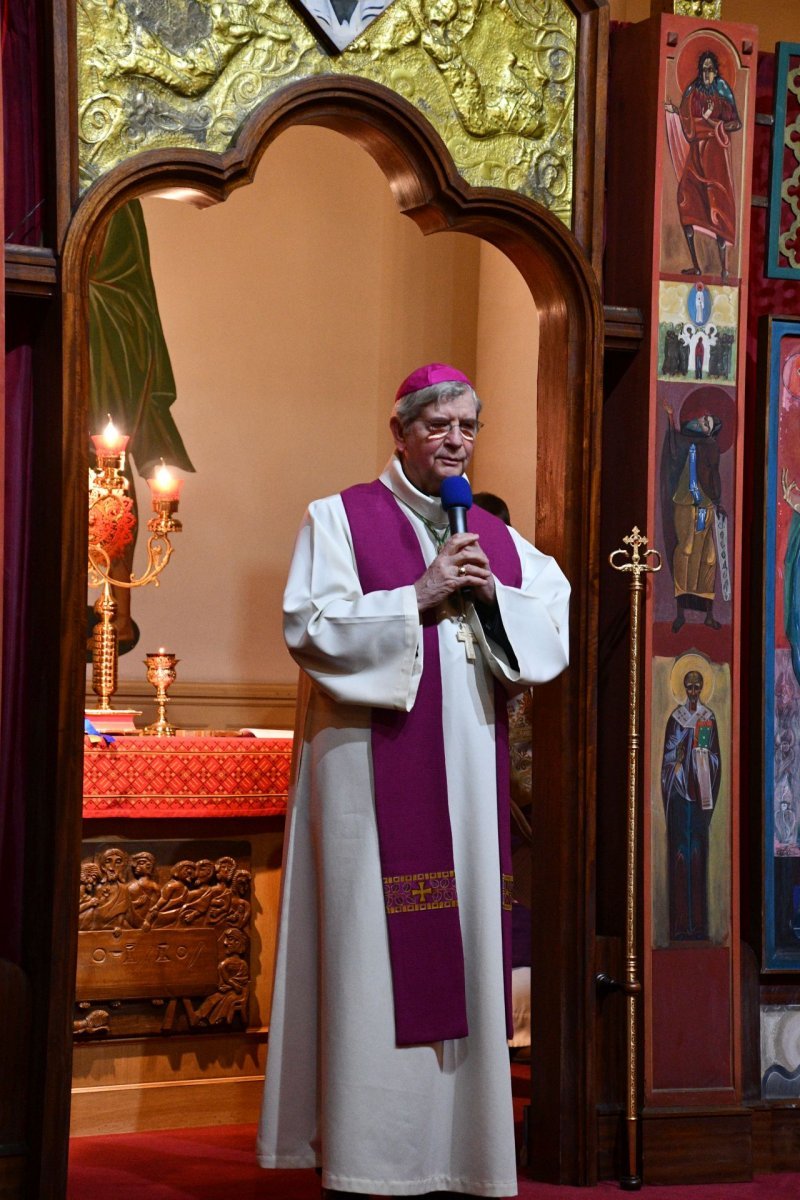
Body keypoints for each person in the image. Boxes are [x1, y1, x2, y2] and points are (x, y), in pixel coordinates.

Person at [257, 363, 570, 1199]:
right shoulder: (338, 519)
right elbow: (309, 624)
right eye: (437, 426)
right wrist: (414, 597)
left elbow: (551, 622)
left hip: (466, 777)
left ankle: (460, 1154)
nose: (455, 440)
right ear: (399, 432)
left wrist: (492, 595)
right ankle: (368, 1155)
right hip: (368, 773)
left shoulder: (496, 542)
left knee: (464, 945)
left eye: (467, 425)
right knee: (368, 956)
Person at [665, 51, 741, 280]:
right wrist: (676, 113)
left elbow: (735, 122)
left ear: (716, 70)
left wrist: (714, 124)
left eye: (710, 69)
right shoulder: (693, 91)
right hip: (697, 155)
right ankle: (696, 265)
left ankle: (724, 269)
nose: (706, 74)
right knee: (686, 200)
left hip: (715, 159)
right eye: (703, 69)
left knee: (718, 206)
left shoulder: (723, 91)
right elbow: (688, 122)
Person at [660, 668, 721, 941]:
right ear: (685, 689)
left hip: (699, 795)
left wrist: (704, 757)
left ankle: (698, 926)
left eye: (698, 688)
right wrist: (678, 754)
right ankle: (680, 925)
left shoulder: (708, 718)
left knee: (697, 855)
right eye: (690, 688)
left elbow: (715, 757)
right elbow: (668, 755)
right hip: (679, 796)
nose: (694, 694)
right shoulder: (676, 718)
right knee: (679, 857)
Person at [661, 402, 724, 631]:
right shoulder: (687, 442)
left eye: (707, 423)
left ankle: (708, 613)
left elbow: (712, 477)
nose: (702, 423)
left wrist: (716, 502)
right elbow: (673, 447)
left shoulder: (711, 448)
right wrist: (670, 417)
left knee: (708, 558)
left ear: (711, 431)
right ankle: (680, 611)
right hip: (686, 502)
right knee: (686, 549)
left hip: (706, 505)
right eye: (702, 420)